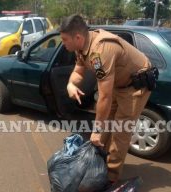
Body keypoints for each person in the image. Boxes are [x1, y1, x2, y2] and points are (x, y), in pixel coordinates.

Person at [59, 14, 152, 183]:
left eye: (65, 40)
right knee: (105, 125)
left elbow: (104, 97)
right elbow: (78, 72)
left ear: (77, 37)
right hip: (118, 83)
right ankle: (99, 165)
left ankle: (110, 179)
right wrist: (70, 85)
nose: (63, 44)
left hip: (135, 87)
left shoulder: (100, 51)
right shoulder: (82, 48)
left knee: (119, 132)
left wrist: (96, 130)